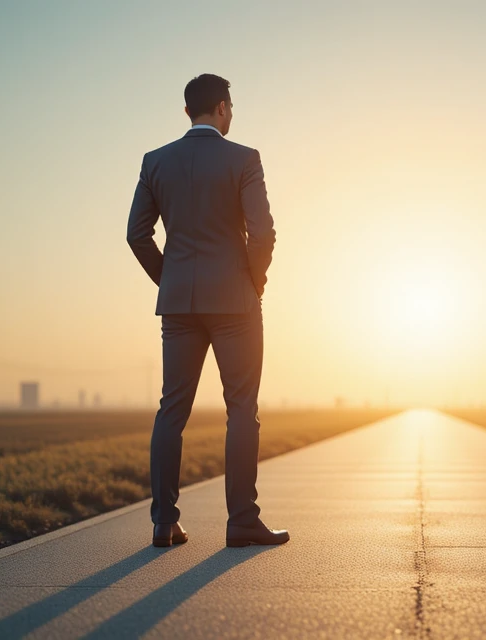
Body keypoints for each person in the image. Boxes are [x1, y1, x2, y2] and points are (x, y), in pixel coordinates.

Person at [125, 73, 289, 549]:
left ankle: (163, 522)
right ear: (221, 108)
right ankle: (241, 522)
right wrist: (252, 281)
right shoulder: (244, 159)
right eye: (231, 107)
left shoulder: (155, 162)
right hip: (236, 302)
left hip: (179, 305)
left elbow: (137, 234)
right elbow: (263, 233)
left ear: (186, 112)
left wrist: (172, 280)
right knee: (241, 410)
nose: (232, 114)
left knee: (171, 410)